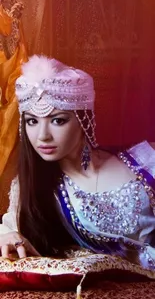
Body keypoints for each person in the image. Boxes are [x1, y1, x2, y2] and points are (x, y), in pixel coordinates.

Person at [0, 55, 155, 270]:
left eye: (58, 120)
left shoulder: (144, 160)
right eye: (32, 121)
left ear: (84, 120)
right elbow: (9, 230)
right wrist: (8, 236)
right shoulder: (34, 188)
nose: (43, 135)